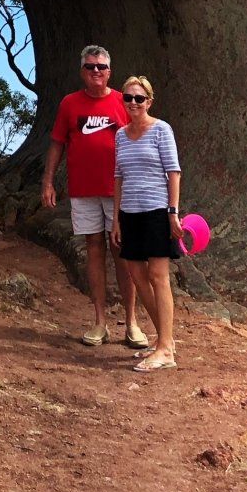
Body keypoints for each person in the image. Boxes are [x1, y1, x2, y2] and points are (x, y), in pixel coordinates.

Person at [40, 46, 145, 348]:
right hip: (83, 190)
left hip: (118, 192)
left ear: (110, 71)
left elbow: (141, 139)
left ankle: (132, 322)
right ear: (82, 71)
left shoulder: (123, 102)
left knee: (123, 254)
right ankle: (99, 321)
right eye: (89, 67)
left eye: (101, 67)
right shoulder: (70, 104)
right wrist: (48, 181)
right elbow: (57, 143)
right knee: (94, 249)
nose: (95, 71)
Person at [112, 74, 182, 371]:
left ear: (149, 101)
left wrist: (172, 212)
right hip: (130, 213)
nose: (133, 103)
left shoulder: (161, 130)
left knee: (158, 276)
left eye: (139, 98)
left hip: (156, 211)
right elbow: (119, 177)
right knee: (137, 276)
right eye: (128, 97)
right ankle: (164, 340)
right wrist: (116, 219)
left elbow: (173, 172)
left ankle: (165, 349)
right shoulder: (120, 135)